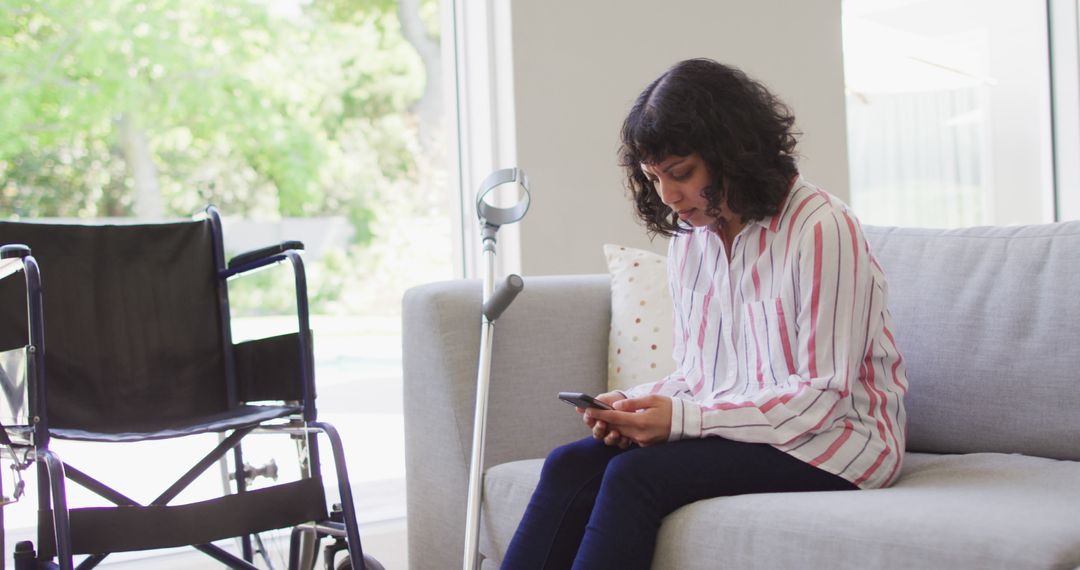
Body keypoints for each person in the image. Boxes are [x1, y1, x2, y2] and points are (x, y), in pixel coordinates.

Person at [500, 58, 909, 570]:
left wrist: (683, 421)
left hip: (836, 440)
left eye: (682, 174)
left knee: (636, 477)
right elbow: (703, 375)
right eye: (655, 178)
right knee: (569, 465)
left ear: (732, 152)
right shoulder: (694, 242)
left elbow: (823, 396)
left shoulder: (822, 228)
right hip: (747, 427)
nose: (668, 197)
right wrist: (636, 406)